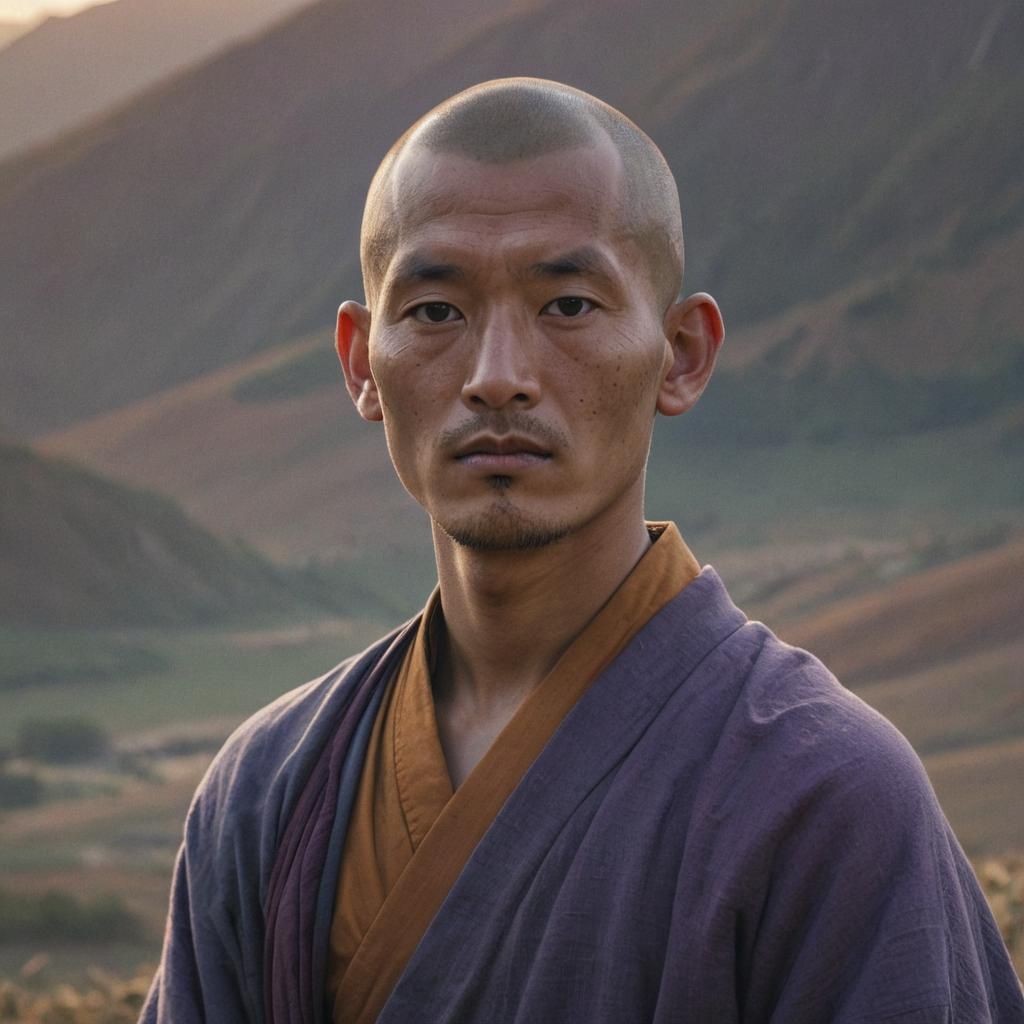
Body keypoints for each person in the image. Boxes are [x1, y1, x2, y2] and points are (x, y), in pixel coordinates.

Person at [141, 78, 1024, 1023]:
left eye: (567, 304)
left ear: (681, 354)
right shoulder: (267, 792)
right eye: (436, 311)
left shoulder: (825, 797)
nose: (498, 378)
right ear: (363, 364)